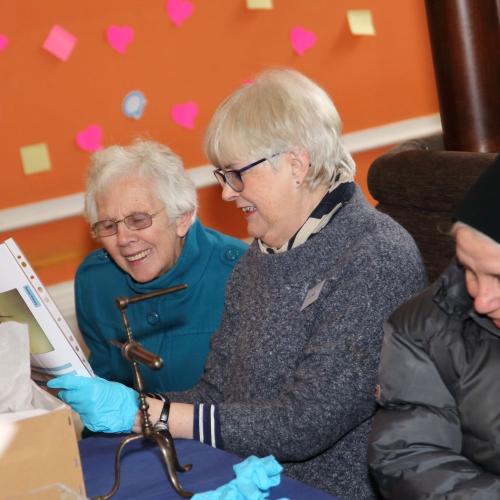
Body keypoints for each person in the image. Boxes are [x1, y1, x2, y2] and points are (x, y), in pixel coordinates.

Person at [49, 69, 426, 498]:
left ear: (296, 164)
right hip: (244, 473)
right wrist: (132, 404)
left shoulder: (375, 256)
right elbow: (216, 391)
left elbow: (303, 424)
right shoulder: (257, 260)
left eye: (236, 174)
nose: (227, 193)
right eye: (222, 176)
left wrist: (147, 415)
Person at [368, 155, 500, 498]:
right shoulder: (425, 326)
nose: (483, 299)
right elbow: (410, 455)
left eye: (498, 277)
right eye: (469, 269)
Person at [75, 140, 247, 392]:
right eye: (109, 226)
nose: (123, 239)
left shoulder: (242, 272)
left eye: (138, 220)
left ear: (182, 218)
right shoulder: (96, 282)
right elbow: (104, 385)